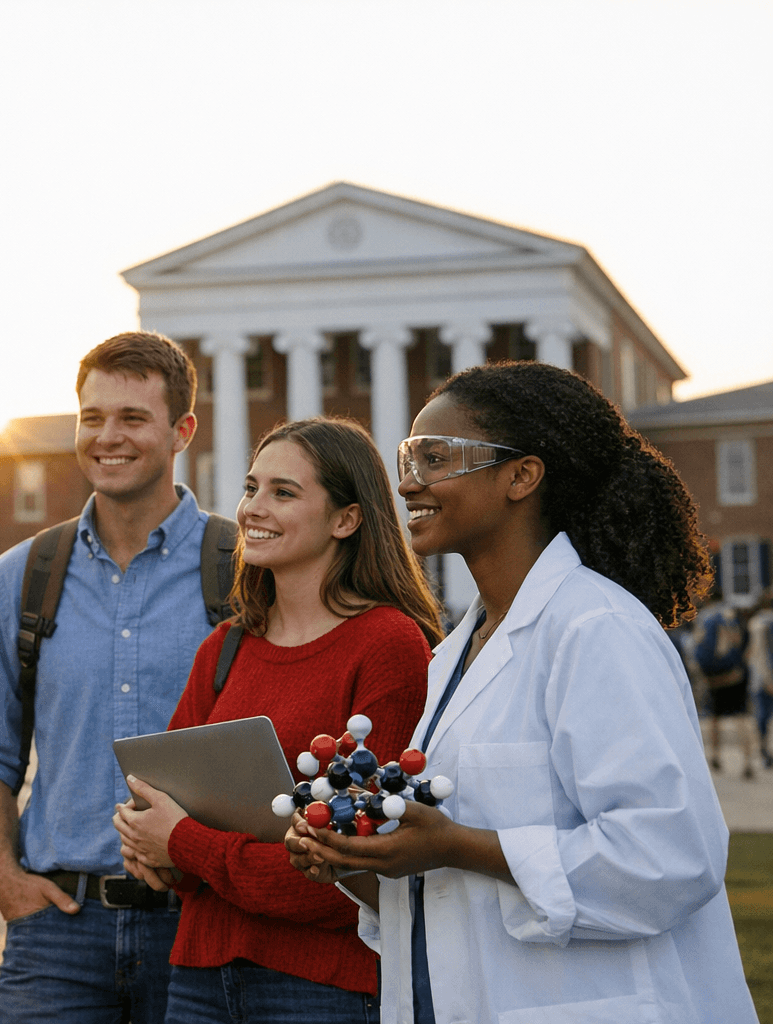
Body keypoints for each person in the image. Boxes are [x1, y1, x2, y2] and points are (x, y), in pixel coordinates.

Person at [287, 362, 757, 1023]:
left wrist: (454, 843)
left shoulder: (597, 629)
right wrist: (356, 857)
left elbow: (670, 854)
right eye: (408, 456)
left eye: (435, 457)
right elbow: (452, 882)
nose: (407, 481)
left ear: (521, 475)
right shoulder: (454, 653)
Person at [113, 418, 440, 1023]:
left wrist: (183, 843)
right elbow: (157, 814)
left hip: (321, 985)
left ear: (346, 519)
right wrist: (149, 846)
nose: (251, 509)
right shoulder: (224, 647)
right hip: (198, 974)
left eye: (283, 493)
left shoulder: (388, 644)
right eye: (250, 487)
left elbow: (350, 874)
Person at [0, 331, 208, 1024]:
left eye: (132, 419)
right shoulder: (22, 576)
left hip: (203, 927)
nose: (107, 437)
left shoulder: (241, 569)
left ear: (182, 430)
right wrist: (7, 885)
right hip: (57, 935)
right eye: (92, 418)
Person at [693, 585, 755, 778]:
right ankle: (747, 761)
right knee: (741, 715)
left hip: (712, 677)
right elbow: (742, 641)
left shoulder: (704, 617)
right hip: (733, 675)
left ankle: (715, 755)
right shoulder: (730, 615)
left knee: (714, 716)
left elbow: (696, 645)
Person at [747, 589, 773, 771]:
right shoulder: (765, 623)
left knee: (762, 717)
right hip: (766, 677)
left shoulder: (755, 622)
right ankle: (766, 752)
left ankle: (764, 751)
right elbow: (765, 653)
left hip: (757, 677)